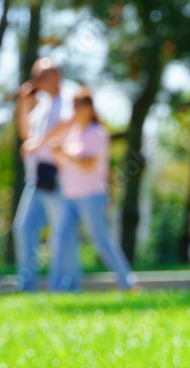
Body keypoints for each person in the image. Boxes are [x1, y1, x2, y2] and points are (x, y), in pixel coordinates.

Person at [46, 87, 139, 292]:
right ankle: (56, 288)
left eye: (80, 104)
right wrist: (56, 152)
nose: (76, 109)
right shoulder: (73, 133)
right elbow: (63, 163)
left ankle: (127, 282)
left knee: (101, 240)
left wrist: (64, 152)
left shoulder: (97, 132)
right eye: (74, 105)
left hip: (91, 195)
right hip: (69, 195)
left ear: (90, 107)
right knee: (60, 240)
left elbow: (88, 164)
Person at [13, 57, 73, 291]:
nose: (37, 81)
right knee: (24, 228)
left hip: (58, 177)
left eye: (42, 76)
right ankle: (26, 285)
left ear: (56, 76)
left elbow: (68, 123)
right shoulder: (43, 105)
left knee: (61, 233)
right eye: (35, 76)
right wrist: (24, 103)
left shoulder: (68, 98)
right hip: (35, 180)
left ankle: (64, 286)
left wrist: (39, 143)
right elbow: (25, 133)